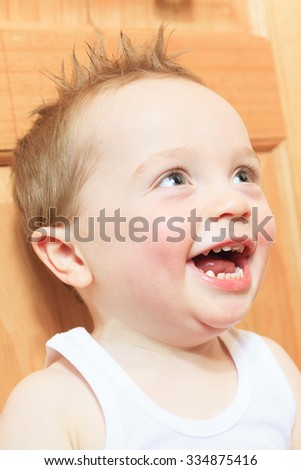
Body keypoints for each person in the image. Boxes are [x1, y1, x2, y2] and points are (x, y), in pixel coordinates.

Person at [0, 26, 300, 450]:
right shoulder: (60, 406)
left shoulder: (274, 373)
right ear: (70, 253)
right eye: (174, 177)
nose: (234, 200)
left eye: (243, 174)